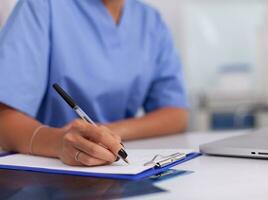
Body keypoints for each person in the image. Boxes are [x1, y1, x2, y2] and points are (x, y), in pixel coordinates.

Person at [0, 0, 188, 166]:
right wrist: (58, 141)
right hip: (46, 174)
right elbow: (4, 119)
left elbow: (175, 113)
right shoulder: (42, 6)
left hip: (112, 164)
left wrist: (106, 133)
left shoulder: (150, 21)